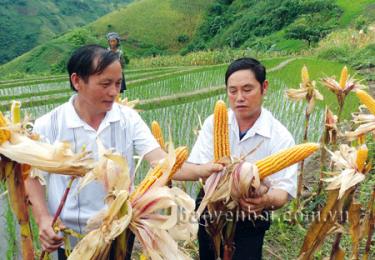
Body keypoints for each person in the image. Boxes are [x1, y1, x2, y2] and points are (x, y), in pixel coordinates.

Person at [24, 44, 222, 260]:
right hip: (73, 238)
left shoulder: (128, 119)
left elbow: (161, 162)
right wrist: (43, 218)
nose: (114, 92)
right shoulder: (49, 124)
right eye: (105, 84)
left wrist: (204, 170)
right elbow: (32, 176)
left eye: (118, 84)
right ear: (77, 81)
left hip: (120, 231)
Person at [185, 57, 298, 259]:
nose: (239, 97)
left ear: (264, 87)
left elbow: (283, 192)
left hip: (251, 213)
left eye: (247, 89)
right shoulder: (214, 123)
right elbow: (197, 166)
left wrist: (265, 200)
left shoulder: (280, 137)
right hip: (212, 208)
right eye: (232, 90)